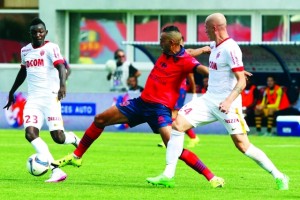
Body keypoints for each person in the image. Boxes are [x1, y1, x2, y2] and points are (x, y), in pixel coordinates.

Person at [53, 25, 225, 188]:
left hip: (159, 109)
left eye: (162, 41)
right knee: (100, 119)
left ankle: (212, 177)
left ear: (171, 43)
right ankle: (77, 156)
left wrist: (225, 78)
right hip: (140, 103)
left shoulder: (186, 61)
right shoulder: (170, 52)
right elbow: (186, 51)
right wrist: (202, 49)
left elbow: (201, 68)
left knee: (175, 149)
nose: (159, 43)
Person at [147, 13, 289, 190]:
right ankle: (168, 175)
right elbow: (187, 53)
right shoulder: (214, 45)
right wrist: (203, 50)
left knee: (243, 146)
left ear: (214, 28)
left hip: (228, 105)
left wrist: (228, 101)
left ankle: (279, 175)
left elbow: (242, 81)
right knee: (177, 125)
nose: (204, 31)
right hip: (208, 101)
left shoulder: (231, 48)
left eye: (206, 28)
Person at [3, 17, 80, 183]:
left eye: (41, 31)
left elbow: (61, 66)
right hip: (33, 100)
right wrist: (12, 91)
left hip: (51, 97)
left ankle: (72, 138)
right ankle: (56, 170)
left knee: (58, 138)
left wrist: (63, 86)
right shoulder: (25, 51)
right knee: (30, 134)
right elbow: (23, 72)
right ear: (30, 34)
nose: (38, 34)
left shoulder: (52, 48)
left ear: (45, 33)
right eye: (34, 32)